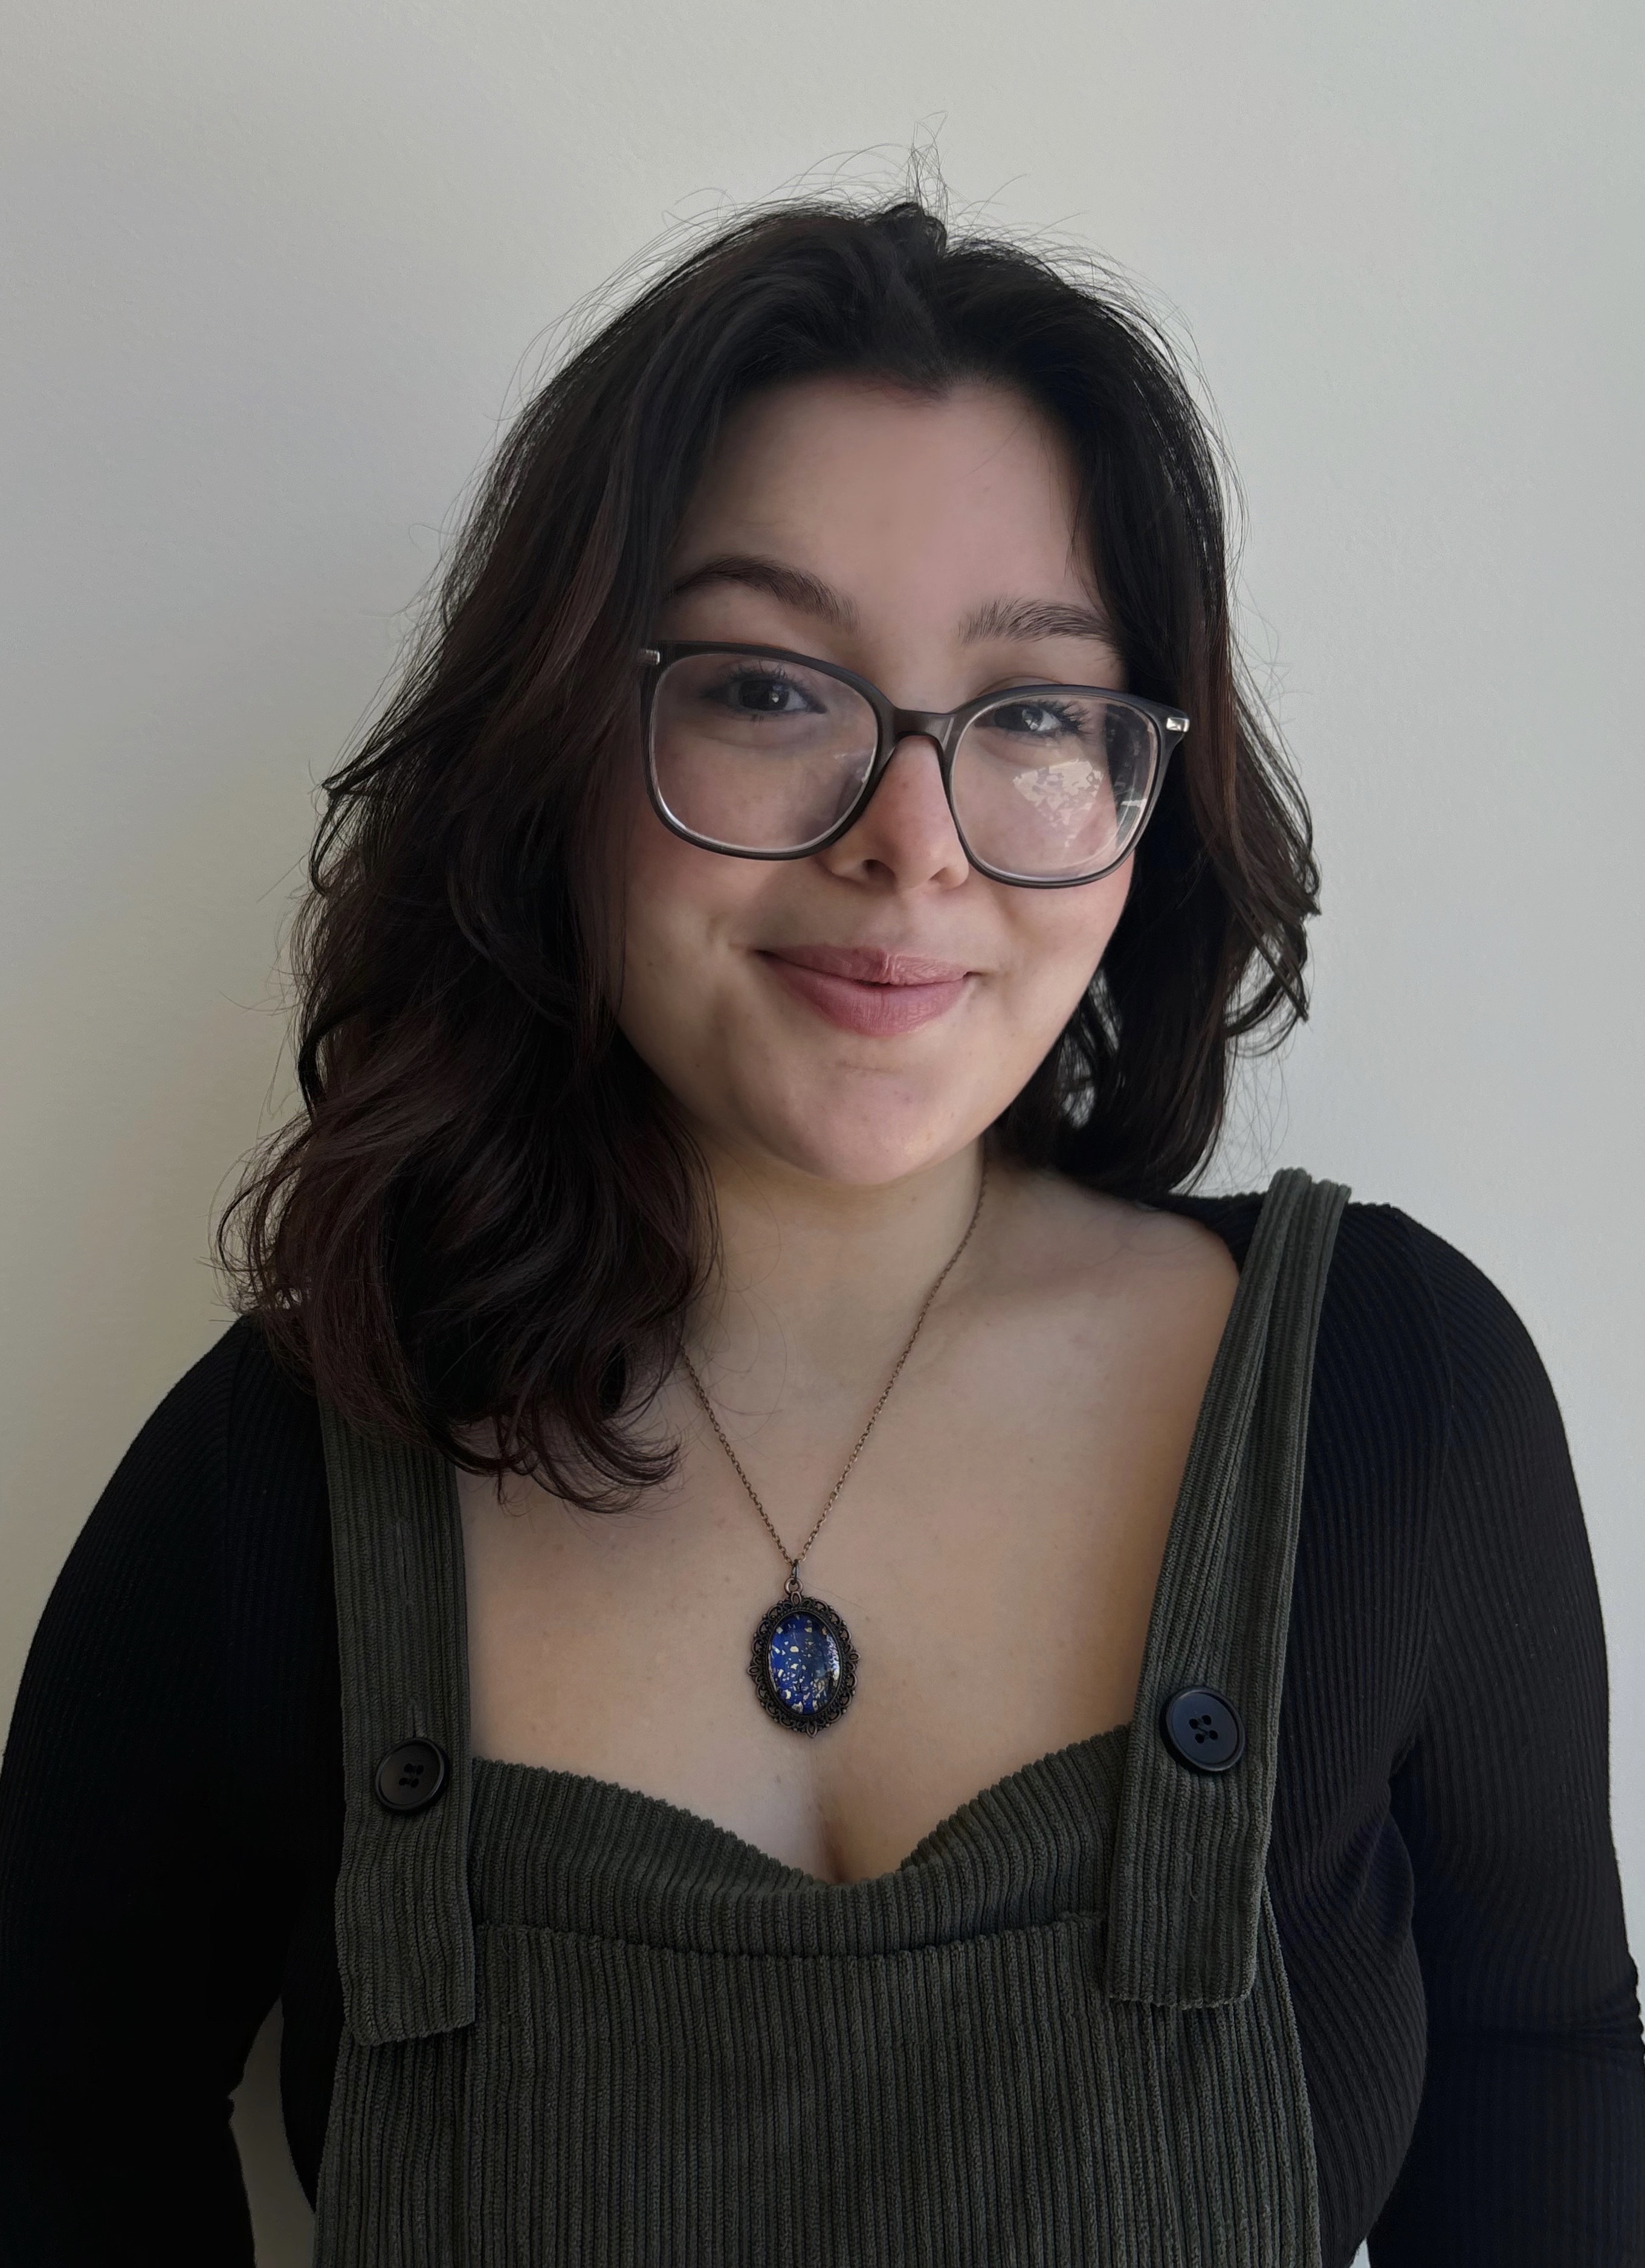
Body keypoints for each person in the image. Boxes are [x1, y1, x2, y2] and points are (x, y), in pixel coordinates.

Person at [0, 196, 1639, 2268]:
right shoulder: (290, 1457)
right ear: (561, 740)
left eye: (1032, 713)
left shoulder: (1394, 1399)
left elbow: (1544, 2077)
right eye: (771, 689)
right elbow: (52, 2117)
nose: (907, 842)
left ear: (1143, 790)